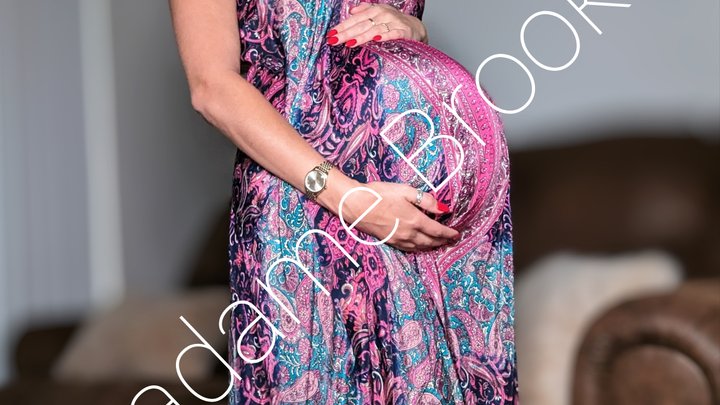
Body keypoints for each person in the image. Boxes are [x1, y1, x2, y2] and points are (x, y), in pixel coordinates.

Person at [169, 0, 518, 403]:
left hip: (426, 227)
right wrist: (350, 199)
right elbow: (211, 87)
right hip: (303, 212)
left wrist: (413, 28)